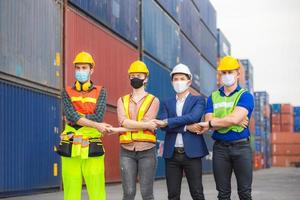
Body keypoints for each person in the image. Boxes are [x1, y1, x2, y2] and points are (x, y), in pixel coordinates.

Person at [195, 56, 254, 200]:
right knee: (223, 194)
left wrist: (218, 122)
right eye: (224, 72)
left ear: (238, 74)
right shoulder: (213, 97)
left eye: (230, 72)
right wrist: (232, 121)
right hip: (220, 149)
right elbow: (212, 120)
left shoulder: (245, 96)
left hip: (242, 147)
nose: (227, 75)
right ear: (220, 75)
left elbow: (214, 122)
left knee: (245, 193)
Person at [58, 51, 111, 200]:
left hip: (92, 143)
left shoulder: (101, 91)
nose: (81, 71)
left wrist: (78, 118)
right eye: (78, 68)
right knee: (71, 187)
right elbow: (71, 115)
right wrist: (95, 124)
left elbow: (98, 115)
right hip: (71, 144)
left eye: (84, 68)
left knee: (96, 188)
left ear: (91, 69)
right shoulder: (66, 92)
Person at [153, 63, 208, 200]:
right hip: (172, 155)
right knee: (172, 195)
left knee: (197, 193)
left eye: (182, 78)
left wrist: (169, 121)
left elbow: (193, 117)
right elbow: (163, 125)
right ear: (172, 82)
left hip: (192, 154)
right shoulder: (166, 102)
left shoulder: (198, 100)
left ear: (189, 81)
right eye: (175, 79)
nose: (178, 82)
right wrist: (186, 127)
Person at [116, 60, 160, 200]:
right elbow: (123, 121)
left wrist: (130, 124)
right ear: (129, 77)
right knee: (128, 193)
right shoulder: (121, 100)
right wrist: (145, 125)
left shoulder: (154, 100)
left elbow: (132, 122)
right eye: (132, 75)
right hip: (126, 150)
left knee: (147, 194)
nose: (135, 78)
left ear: (145, 78)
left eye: (139, 75)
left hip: (147, 150)